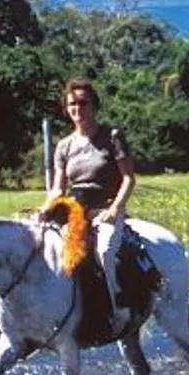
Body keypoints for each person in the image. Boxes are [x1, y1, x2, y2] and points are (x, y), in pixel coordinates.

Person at [45, 80, 149, 315]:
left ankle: (118, 303)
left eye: (83, 103)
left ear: (94, 106)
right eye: (72, 103)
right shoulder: (63, 146)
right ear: (66, 108)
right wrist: (46, 207)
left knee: (103, 251)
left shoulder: (112, 137)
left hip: (106, 207)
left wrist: (115, 209)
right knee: (43, 249)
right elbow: (57, 189)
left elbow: (129, 179)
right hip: (74, 211)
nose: (77, 108)